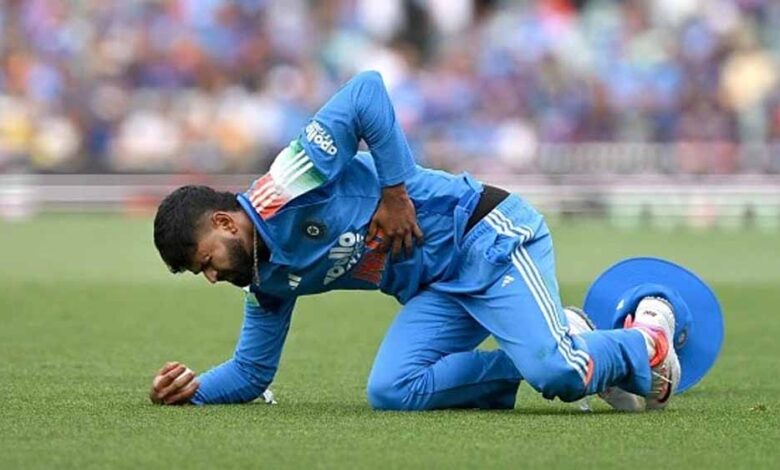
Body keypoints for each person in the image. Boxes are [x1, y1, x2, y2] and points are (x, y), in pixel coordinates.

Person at [150, 71, 678, 411]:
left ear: (225, 223)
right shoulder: (267, 279)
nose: (212, 276)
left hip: (485, 237)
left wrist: (395, 193)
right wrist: (191, 393)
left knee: (557, 374)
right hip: (439, 289)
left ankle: (648, 337)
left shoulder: (288, 181)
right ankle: (569, 341)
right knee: (392, 391)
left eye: (206, 261)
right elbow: (251, 372)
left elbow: (366, 91)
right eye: (203, 274)